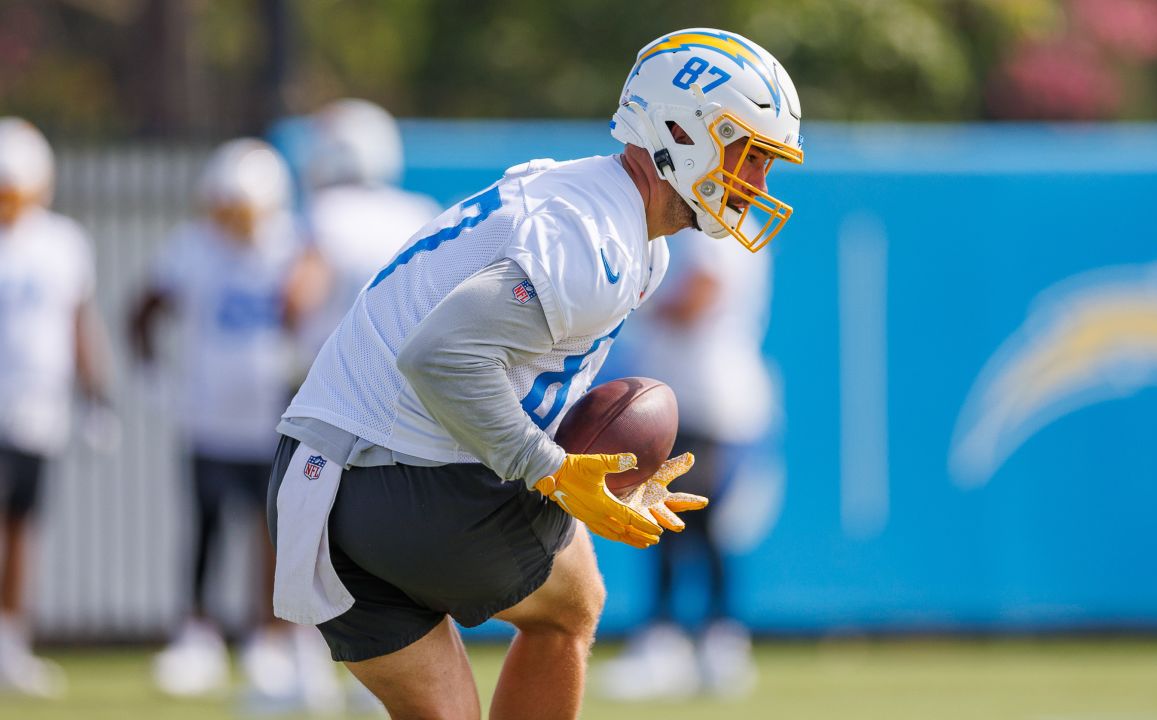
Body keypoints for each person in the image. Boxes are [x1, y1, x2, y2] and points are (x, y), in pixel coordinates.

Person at [267, 27, 804, 719]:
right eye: (749, 154)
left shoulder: (581, 199)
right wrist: (551, 469)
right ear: (681, 129)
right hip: (407, 486)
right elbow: (441, 357)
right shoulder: (599, 239)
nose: (756, 182)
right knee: (573, 601)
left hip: (307, 489)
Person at [130, 139, 335, 712]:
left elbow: (313, 306)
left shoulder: (294, 243)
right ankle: (195, 635)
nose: (234, 221)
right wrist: (153, 380)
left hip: (274, 418)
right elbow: (142, 311)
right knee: (206, 527)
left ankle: (266, 637)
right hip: (207, 416)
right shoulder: (191, 247)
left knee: (273, 532)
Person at [599, 225, 777, 700]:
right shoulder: (732, 230)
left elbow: (700, 296)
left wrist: (633, 302)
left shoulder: (714, 232)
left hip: (700, 400)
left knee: (675, 519)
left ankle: (673, 641)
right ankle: (709, 641)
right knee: (693, 523)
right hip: (703, 397)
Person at [0, 117, 112, 699]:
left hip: (37, 410)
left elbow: (78, 324)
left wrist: (97, 398)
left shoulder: (62, 241)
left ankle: (11, 643)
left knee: (22, 528)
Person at [283, 98, 442, 364]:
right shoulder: (420, 212)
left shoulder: (327, 212)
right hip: (407, 376)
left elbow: (299, 300)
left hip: (338, 378)